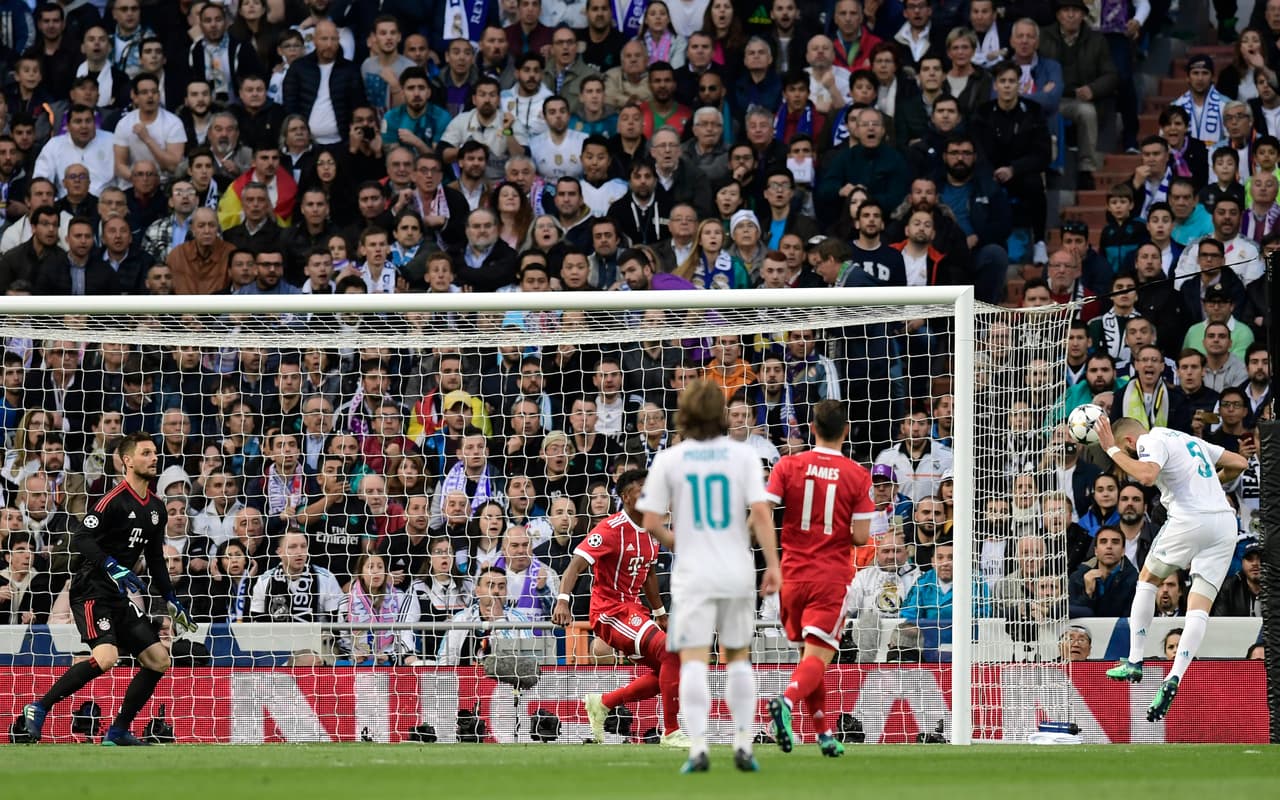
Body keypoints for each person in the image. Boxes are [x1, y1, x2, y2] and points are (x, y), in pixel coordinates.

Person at [637, 378, 781, 773]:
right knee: (737, 658)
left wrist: (677, 540)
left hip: (693, 572)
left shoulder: (671, 459)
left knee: (695, 660)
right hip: (736, 568)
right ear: (721, 414)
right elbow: (763, 512)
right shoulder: (743, 457)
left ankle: (698, 748)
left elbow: (649, 520)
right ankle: (743, 745)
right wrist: (772, 563)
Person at [20, 432, 195, 746]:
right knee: (106, 656)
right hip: (91, 590)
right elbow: (81, 539)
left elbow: (155, 558)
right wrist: (111, 565)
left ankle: (117, 732)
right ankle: (39, 707)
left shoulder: (157, 507)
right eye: (146, 453)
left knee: (159, 660)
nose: (154, 458)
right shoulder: (112, 500)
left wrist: (171, 598)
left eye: (155, 453)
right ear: (128, 460)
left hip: (117, 595)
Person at [1096, 415, 1250, 721]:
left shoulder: (1150, 440)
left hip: (1191, 518)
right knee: (1199, 605)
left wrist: (1111, 450)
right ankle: (1174, 676)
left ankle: (1135, 660)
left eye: (1128, 453)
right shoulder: (1187, 439)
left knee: (1147, 579)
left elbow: (1148, 475)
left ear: (1130, 441)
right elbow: (1240, 463)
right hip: (1224, 522)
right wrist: (1208, 484)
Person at [761, 399, 873, 756]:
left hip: (791, 577)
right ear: (846, 430)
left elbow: (764, 509)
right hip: (829, 577)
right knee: (817, 658)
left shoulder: (789, 465)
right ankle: (786, 702)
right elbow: (859, 537)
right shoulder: (857, 475)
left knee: (809, 660)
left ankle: (824, 735)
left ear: (812, 428)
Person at [552, 469, 686, 747]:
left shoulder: (652, 529)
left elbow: (648, 573)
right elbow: (575, 565)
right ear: (626, 497)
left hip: (633, 610)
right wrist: (562, 601)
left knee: (670, 667)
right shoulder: (609, 530)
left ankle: (603, 703)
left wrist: (660, 614)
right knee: (670, 652)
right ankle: (671, 732)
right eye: (642, 488)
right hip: (608, 612)